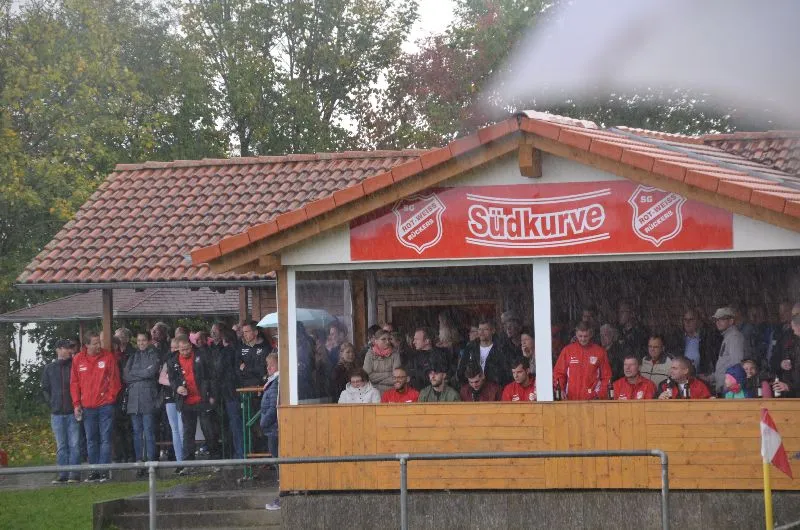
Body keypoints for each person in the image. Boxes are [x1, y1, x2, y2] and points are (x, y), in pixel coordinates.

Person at [70, 332, 121, 482]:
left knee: (105, 439)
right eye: (95, 343)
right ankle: (94, 471)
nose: (99, 345)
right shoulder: (78, 359)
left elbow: (115, 380)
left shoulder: (108, 357)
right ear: (86, 345)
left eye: (99, 342)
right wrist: (76, 404)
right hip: (87, 407)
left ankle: (103, 471)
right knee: (91, 439)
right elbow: (74, 383)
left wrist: (110, 398)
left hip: (105, 406)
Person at [168, 335, 221, 468]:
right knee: (188, 432)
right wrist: (177, 388)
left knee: (208, 429)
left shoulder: (201, 356)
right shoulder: (172, 361)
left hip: (202, 398)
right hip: (186, 400)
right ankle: (188, 463)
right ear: (178, 349)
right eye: (182, 350)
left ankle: (215, 459)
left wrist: (212, 394)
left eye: (187, 349)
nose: (185, 352)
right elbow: (172, 380)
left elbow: (212, 376)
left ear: (190, 346)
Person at [42, 339, 81, 483]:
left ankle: (74, 474)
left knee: (74, 444)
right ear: (58, 350)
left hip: (72, 412)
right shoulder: (49, 368)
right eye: (66, 348)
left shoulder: (74, 366)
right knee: (61, 445)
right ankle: (62, 474)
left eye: (70, 348)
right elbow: (45, 389)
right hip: (57, 413)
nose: (69, 351)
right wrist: (52, 403)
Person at [124, 332, 160, 478]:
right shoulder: (133, 356)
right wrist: (142, 373)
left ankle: (151, 461)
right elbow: (126, 376)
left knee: (149, 431)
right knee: (137, 433)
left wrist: (136, 374)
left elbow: (151, 372)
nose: (141, 343)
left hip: (148, 398)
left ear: (148, 341)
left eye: (143, 340)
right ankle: (139, 462)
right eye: (138, 340)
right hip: (134, 400)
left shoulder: (153, 355)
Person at [553, 322, 611, 400]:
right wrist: (561, 390)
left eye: (585, 336)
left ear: (590, 334)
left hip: (593, 400)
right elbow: (559, 373)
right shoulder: (568, 351)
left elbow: (606, 377)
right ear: (576, 334)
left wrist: (599, 395)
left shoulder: (600, 352)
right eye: (580, 336)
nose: (583, 339)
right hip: (571, 399)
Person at [212, 326, 244, 459]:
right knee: (237, 423)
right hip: (235, 390)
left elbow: (218, 372)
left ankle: (239, 453)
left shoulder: (225, 353)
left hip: (229, 392)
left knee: (234, 423)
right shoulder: (239, 350)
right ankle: (240, 452)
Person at [458, 319, 513, 387]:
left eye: (485, 329)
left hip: (495, 387)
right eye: (480, 329)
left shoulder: (501, 348)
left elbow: (507, 372)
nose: (481, 332)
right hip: (473, 387)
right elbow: (461, 369)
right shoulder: (471, 347)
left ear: (493, 331)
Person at [667, 309, 720, 378]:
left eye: (691, 319)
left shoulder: (706, 339)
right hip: (681, 378)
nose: (687, 322)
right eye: (685, 319)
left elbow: (712, 359)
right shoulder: (678, 339)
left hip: (701, 378)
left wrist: (708, 374)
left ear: (698, 321)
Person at [159, 337, 183, 471]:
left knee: (182, 429)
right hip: (170, 397)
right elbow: (161, 379)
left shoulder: (184, 359)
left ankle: (185, 460)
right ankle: (179, 461)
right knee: (174, 430)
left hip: (182, 397)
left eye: (176, 348)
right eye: (172, 348)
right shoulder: (168, 360)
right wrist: (175, 384)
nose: (173, 350)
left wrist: (174, 382)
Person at [261, 353, 281, 511]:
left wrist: (263, 422)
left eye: (272, 365)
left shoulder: (276, 383)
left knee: (279, 464)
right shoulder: (273, 381)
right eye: (267, 365)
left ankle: (282, 496)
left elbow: (274, 406)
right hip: (272, 428)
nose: (268, 368)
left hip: (274, 428)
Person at [713, 307, 747, 396]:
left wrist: (728, 387)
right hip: (726, 388)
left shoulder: (734, 337)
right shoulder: (728, 336)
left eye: (722, 319)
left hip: (730, 390)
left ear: (731, 321)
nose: (718, 322)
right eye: (716, 319)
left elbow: (737, 364)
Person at [363, 329, 401, 394]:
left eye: (389, 339)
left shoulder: (395, 354)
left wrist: (376, 380)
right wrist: (388, 374)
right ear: (376, 341)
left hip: (391, 392)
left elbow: (396, 378)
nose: (387, 342)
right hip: (372, 392)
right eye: (383, 339)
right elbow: (366, 376)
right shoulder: (369, 354)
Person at [772, 313, 800, 398]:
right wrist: (782, 363)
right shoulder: (793, 340)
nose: (792, 330)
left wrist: (789, 386)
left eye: (793, 327)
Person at [237, 321, 271, 387]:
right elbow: (237, 368)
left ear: (256, 332)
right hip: (244, 386)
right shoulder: (241, 347)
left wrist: (245, 368)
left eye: (247, 332)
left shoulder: (266, 348)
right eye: (243, 332)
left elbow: (263, 370)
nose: (244, 335)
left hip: (260, 386)